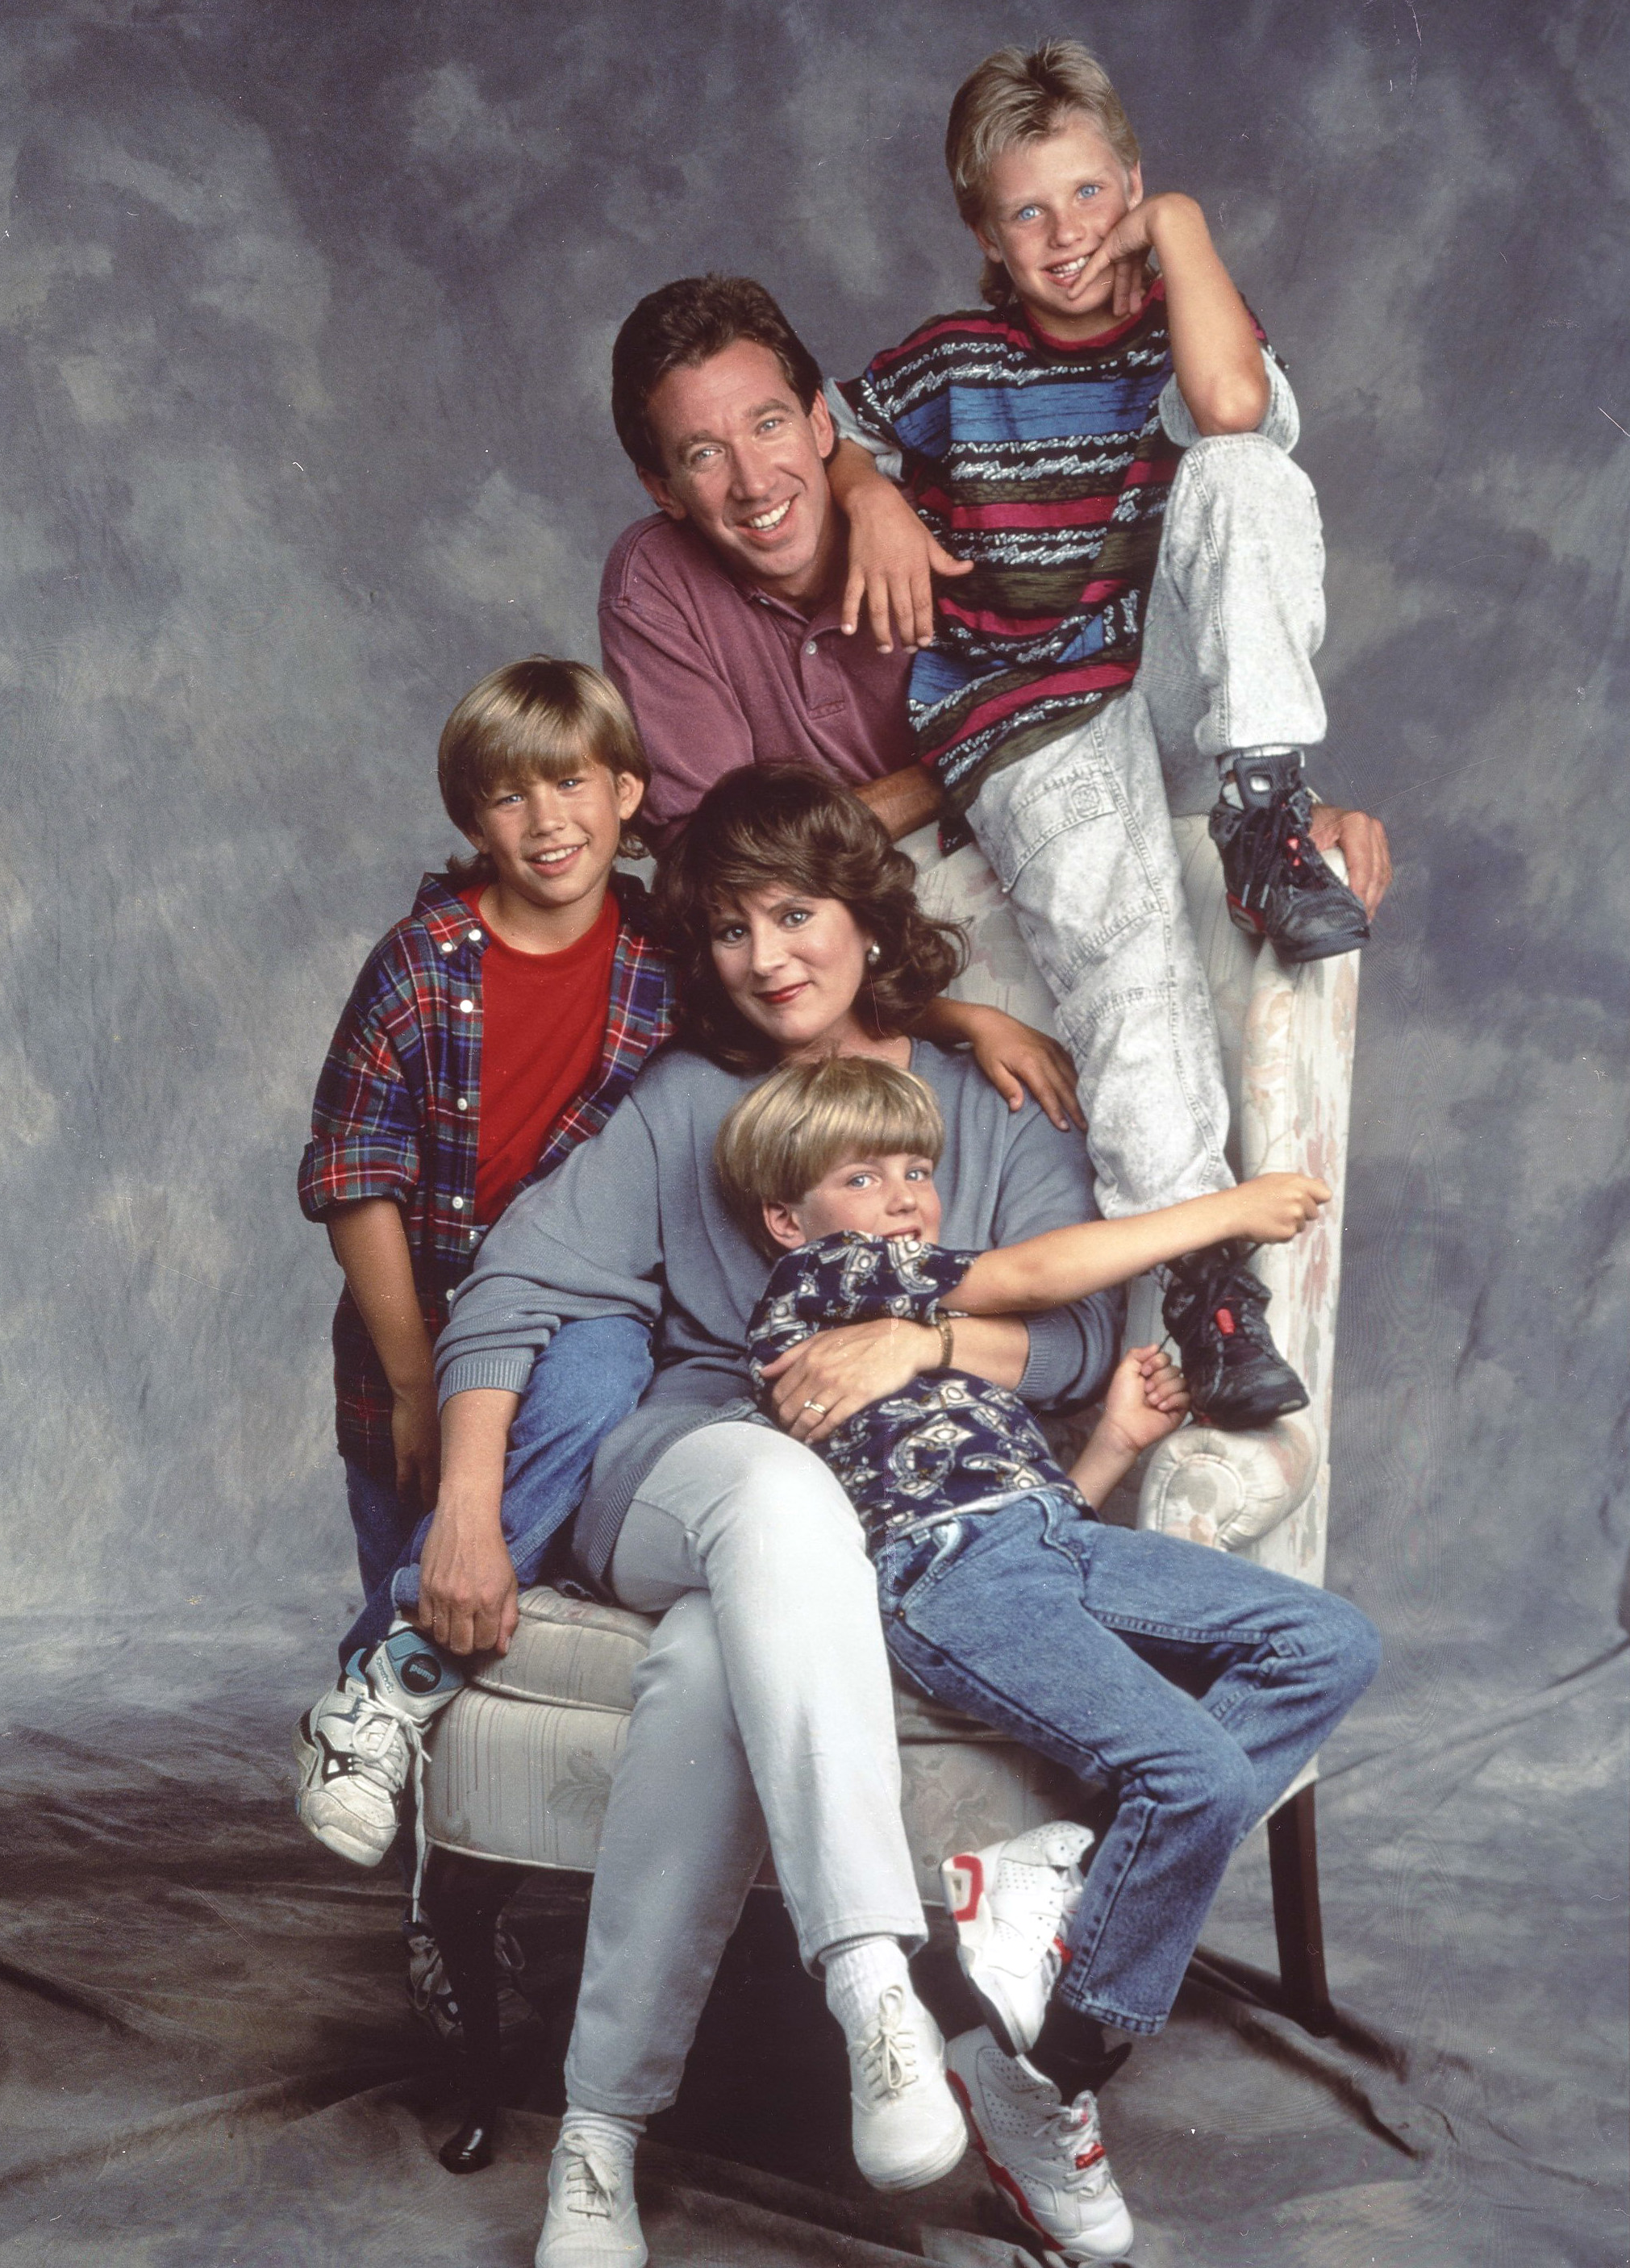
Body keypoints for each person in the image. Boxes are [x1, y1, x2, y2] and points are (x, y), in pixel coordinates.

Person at [429, 765, 1120, 2267]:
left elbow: (1073, 1341)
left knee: (696, 1676)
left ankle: (598, 2136)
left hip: (878, 1515)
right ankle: (877, 1985)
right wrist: (465, 1511)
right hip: (687, 1467)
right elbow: (513, 1287)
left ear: (870, 919)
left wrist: (915, 1343)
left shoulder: (986, 1103)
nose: (767, 957)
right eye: (731, 930)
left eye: (796, 914)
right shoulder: (683, 1104)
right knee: (770, 1482)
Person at [601, 246, 1390, 1428]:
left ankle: (1261, 802)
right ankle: (1191, 1299)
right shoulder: (657, 581)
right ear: (663, 486)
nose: (749, 477)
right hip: (949, 846)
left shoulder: (946, 471)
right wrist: (948, 958)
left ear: (822, 422)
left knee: (1237, 474)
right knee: (1072, 908)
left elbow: (1121, 618)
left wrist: (1270, 780)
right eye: (700, 454)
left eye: (770, 426)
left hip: (1078, 749)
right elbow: (730, 871)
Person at [717, 1053, 1380, 2261]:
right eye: (861, 1177)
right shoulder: (821, 1282)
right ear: (786, 1217)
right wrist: (1226, 1213)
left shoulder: (922, 1330)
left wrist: (1112, 1447)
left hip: (1051, 1537)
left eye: (917, 1170)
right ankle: (1052, 2076)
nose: (903, 1196)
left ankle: (1060, 1872)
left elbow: (1023, 1499)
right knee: (1198, 1775)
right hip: (939, 1574)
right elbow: (1026, 1276)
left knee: (1326, 1636)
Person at [290, 658, 672, 1916]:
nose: (547, 821)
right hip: (412, 1334)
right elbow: (355, 1179)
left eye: (571, 784)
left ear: (626, 792)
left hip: (577, 1321)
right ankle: (429, 1894)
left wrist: (966, 1023)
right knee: (427, 1583)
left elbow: (820, 1004)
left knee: (609, 1361)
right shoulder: (418, 964)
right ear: (471, 822)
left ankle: (373, 1683)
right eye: (510, 798)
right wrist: (412, 1383)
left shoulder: (667, 960)